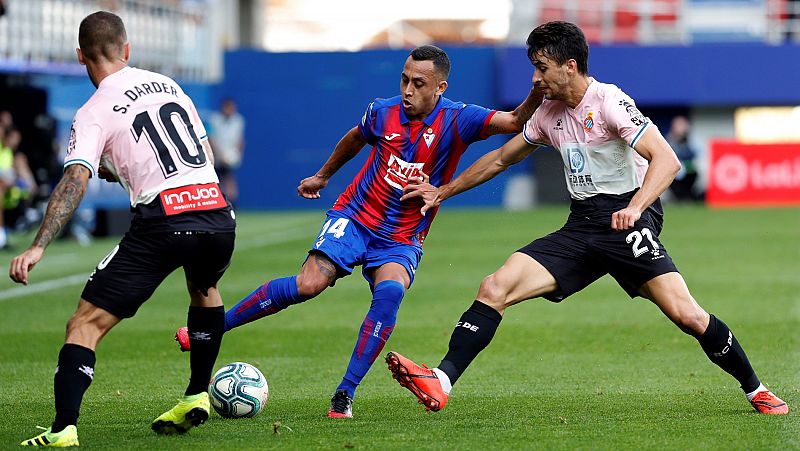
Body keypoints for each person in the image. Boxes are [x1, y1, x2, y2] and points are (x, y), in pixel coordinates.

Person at [385, 21, 788, 416]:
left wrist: (636, 208)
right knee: (494, 286)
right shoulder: (547, 114)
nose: (535, 77)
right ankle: (441, 379)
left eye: (542, 68)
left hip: (628, 221)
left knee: (688, 315)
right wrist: (443, 191)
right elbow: (501, 158)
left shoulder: (610, 101)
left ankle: (758, 390)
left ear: (570, 65)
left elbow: (667, 160)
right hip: (581, 226)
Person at [175, 45, 543, 418]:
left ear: (440, 88)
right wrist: (322, 175)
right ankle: (216, 327)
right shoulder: (382, 112)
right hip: (355, 216)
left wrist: (538, 89)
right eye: (404, 79)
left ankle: (344, 394)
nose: (408, 90)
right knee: (308, 285)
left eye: (418, 83)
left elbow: (514, 121)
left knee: (389, 294)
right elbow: (355, 137)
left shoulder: (459, 119)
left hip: (401, 235)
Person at [9, 11, 236, 447]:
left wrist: (39, 245)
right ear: (127, 50)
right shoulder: (169, 85)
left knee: (85, 324)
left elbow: (75, 180)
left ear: (80, 56)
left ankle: (62, 430)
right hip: (216, 211)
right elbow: (201, 152)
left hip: (166, 219)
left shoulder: (92, 110)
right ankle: (197, 393)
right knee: (205, 288)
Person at [208, 98, 245, 205]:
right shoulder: (214, 120)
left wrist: (237, 154)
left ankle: (232, 205)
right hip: (216, 157)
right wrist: (219, 155)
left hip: (230, 156)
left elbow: (240, 139)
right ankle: (218, 204)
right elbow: (211, 139)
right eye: (228, 107)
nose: (231, 110)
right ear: (224, 108)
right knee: (216, 181)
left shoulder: (238, 120)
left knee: (229, 179)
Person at [666, 115, 701, 201]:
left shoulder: (690, 140)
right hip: (674, 170)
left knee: (692, 176)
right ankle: (679, 197)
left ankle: (688, 197)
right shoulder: (669, 140)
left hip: (688, 171)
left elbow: (695, 152)